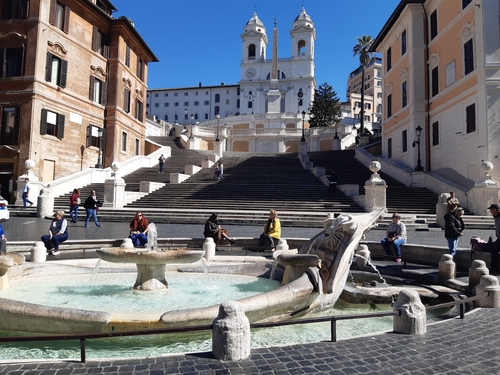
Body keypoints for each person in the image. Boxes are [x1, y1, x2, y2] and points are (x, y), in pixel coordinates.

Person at [487, 203, 500, 271]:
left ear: (495, 210)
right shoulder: (495, 216)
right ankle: (494, 268)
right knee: (494, 251)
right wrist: (496, 232)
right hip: (499, 238)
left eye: (491, 209)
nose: (490, 211)